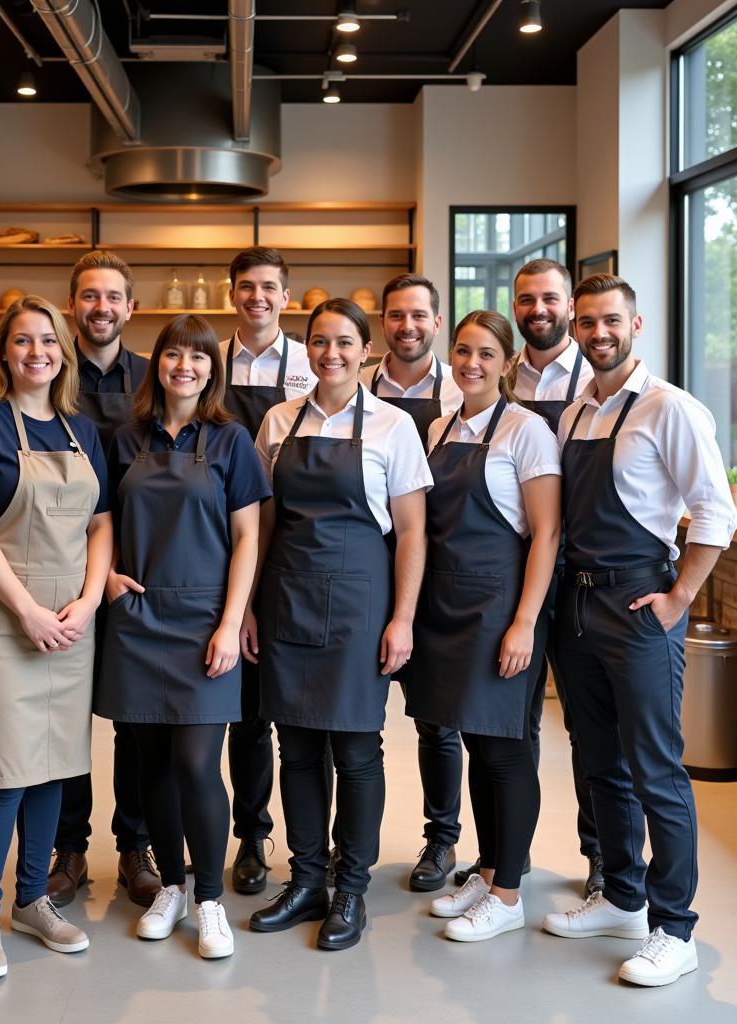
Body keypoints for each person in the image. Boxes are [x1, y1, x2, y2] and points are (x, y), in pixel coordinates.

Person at [544, 274, 736, 987]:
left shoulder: (669, 408)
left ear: (637, 324)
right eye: (587, 321)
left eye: (610, 320)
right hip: (579, 606)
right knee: (598, 764)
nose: (598, 332)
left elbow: (713, 510)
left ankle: (674, 928)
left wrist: (679, 596)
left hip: (638, 603)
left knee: (655, 770)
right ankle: (621, 894)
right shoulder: (574, 414)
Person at [248, 298, 428, 951]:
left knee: (354, 751)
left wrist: (402, 617)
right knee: (293, 748)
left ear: (364, 348)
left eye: (344, 342)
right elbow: (263, 523)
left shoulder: (393, 425)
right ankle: (306, 882)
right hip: (287, 594)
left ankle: (351, 888)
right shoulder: (278, 420)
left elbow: (411, 532)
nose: (331, 353)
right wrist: (245, 604)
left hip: (360, 603)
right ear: (307, 348)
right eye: (320, 342)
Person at [0, 295, 112, 979]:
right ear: (3, 352)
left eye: (48, 340)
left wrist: (89, 601)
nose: (37, 351)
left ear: (62, 354)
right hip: (2, 620)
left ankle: (33, 900)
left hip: (70, 621)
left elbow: (101, 525)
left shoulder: (82, 430)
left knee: (54, 766)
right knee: (3, 774)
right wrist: (26, 611)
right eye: (22, 341)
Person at [94, 314, 268, 959]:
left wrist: (230, 621)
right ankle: (170, 885)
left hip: (203, 623)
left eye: (197, 358)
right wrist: (105, 578)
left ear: (211, 369)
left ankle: (211, 899)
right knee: (152, 768)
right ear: (156, 364)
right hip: (137, 619)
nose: (184, 367)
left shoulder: (230, 441)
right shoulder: (124, 438)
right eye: (172, 355)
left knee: (196, 763)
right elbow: (102, 520)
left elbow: (249, 536)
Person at [405, 309, 560, 942]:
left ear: (507, 363)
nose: (472, 364)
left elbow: (546, 532)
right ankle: (489, 865)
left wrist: (524, 621)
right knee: (474, 741)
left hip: (500, 608)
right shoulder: (439, 428)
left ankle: (508, 893)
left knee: (504, 748)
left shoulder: (527, 431)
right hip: (446, 606)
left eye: (487, 355)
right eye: (463, 351)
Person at [454, 258, 601, 892]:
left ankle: (603, 865)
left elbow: (548, 522)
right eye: (525, 300)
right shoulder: (474, 403)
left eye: (548, 299)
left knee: (592, 732)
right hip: (506, 582)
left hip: (583, 569)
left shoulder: (598, 377)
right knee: (502, 735)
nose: (537, 308)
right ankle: (502, 864)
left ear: (568, 305)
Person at [48, 250, 160, 910]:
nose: (100, 308)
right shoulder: (46, 372)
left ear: (130, 308)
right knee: (64, 717)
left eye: (112, 297)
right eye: (89, 296)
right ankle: (69, 848)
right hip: (61, 569)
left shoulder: (152, 379)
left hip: (136, 572)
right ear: (72, 306)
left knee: (137, 721)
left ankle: (135, 845)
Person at [358, 274, 463, 894]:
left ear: (436, 321)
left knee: (437, 719)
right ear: (382, 323)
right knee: (359, 719)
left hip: (440, 575)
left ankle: (441, 839)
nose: (407, 326)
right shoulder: (359, 393)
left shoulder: (463, 391)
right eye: (396, 315)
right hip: (368, 574)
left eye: (419, 315)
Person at [219, 246, 316, 895]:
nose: (258, 297)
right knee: (247, 716)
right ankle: (251, 838)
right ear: (232, 293)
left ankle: (315, 845)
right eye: (247, 286)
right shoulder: (206, 360)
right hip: (222, 544)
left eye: (270, 288)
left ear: (288, 296)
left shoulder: (316, 366)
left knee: (305, 716)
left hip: (300, 552)